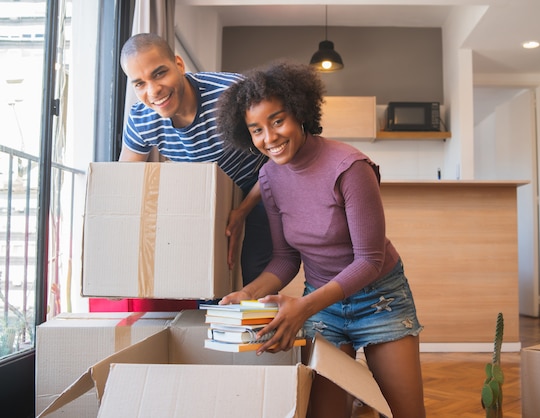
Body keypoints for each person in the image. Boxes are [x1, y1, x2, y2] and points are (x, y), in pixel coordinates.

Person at [216, 61, 426, 418]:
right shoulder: (269, 178)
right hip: (322, 305)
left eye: (277, 121)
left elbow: (369, 261)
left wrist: (303, 307)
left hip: (381, 300)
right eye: (256, 130)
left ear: (299, 113)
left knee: (406, 413)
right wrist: (247, 294)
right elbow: (285, 259)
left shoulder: (350, 167)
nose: (269, 138)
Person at [89, 33, 272, 312]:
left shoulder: (232, 93)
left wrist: (243, 210)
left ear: (178, 64)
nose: (153, 91)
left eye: (159, 73)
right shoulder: (142, 118)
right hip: (207, 195)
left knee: (254, 272)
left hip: (260, 183)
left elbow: (279, 156)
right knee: (206, 284)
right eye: (140, 83)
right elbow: (125, 183)